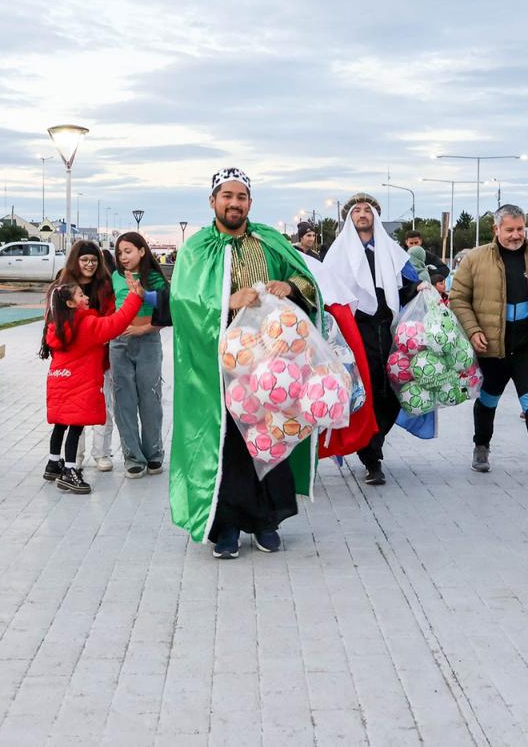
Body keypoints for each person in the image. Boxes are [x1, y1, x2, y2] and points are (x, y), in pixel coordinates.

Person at [170, 168, 320, 558]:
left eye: (241, 197)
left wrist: (292, 287)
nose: (234, 203)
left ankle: (266, 521)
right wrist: (225, 303)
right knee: (231, 443)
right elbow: (183, 302)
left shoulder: (269, 241)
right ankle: (228, 527)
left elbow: (306, 281)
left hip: (272, 362)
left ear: (250, 203)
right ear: (213, 202)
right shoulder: (197, 249)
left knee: (270, 438)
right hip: (219, 366)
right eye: (227, 196)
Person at [450, 204, 528, 491]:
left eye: (520, 229)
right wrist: (474, 330)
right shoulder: (475, 259)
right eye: (510, 230)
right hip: (491, 345)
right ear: (496, 230)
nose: (516, 235)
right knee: (488, 400)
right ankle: (481, 445)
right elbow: (458, 298)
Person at [321, 193, 420, 486]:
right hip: (356, 333)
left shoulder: (392, 252)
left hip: (387, 330)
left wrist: (422, 288)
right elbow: (326, 292)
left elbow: (409, 286)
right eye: (356, 210)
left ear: (375, 216)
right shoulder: (338, 254)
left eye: (367, 210)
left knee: (391, 395)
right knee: (365, 393)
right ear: (350, 218)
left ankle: (373, 442)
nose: (362, 214)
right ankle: (372, 458)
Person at [41, 277, 148, 494]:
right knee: (76, 425)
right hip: (80, 384)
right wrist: (135, 296)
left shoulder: (57, 326)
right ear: (71, 304)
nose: (86, 297)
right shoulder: (86, 325)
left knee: (61, 423)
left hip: (59, 381)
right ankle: (70, 471)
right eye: (81, 295)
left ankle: (53, 463)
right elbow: (117, 322)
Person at [55, 240, 119, 471]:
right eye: (85, 260)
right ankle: (75, 456)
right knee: (75, 409)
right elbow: (54, 319)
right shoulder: (63, 286)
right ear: (76, 261)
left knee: (104, 405)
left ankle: (102, 453)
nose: (90, 264)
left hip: (101, 355)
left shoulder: (105, 285)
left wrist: (100, 333)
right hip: (74, 359)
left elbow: (111, 315)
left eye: (93, 260)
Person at [111, 232, 170, 478]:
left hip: (147, 342)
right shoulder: (114, 276)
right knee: (124, 401)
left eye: (129, 251)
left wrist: (142, 326)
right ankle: (133, 457)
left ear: (142, 251)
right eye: (120, 253)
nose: (124, 257)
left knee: (150, 399)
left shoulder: (154, 277)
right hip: (118, 345)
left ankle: (154, 455)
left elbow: (167, 310)